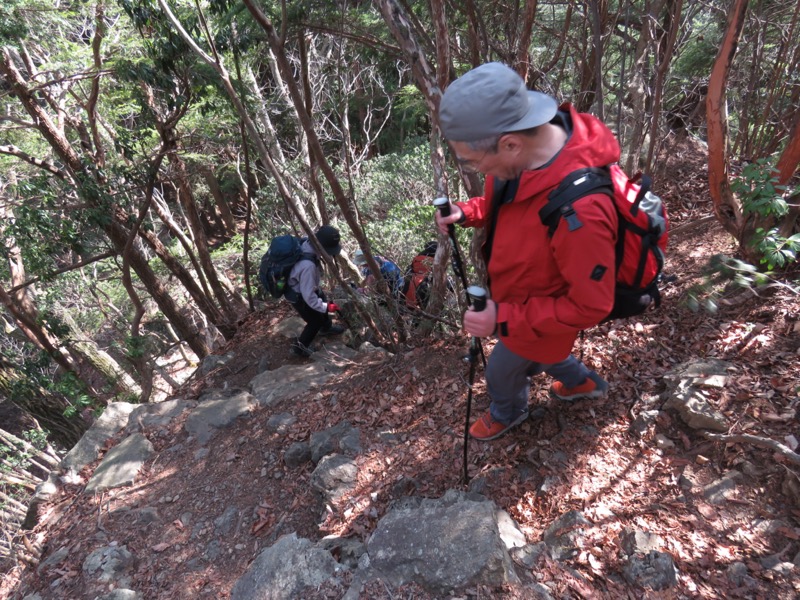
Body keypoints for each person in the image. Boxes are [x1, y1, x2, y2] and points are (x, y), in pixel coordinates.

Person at [436, 62, 616, 441]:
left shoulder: (580, 212)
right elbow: (509, 207)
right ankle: (582, 382)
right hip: (524, 303)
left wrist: (501, 319)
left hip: (534, 314)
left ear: (511, 143)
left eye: (471, 160)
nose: (472, 166)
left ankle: (509, 411)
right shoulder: (521, 160)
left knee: (501, 371)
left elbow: (591, 306)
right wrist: (467, 212)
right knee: (548, 354)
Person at [286, 225, 346, 357]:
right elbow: (308, 296)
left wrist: (324, 304)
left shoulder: (309, 241)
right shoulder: (308, 266)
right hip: (297, 295)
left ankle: (326, 328)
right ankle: (299, 349)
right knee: (314, 322)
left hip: (306, 287)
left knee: (322, 297)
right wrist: (326, 307)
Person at [402, 241, 438, 310]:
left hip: (410, 284)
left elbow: (408, 271)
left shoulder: (417, 257)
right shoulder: (436, 261)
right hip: (425, 287)